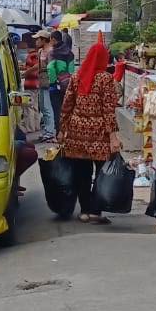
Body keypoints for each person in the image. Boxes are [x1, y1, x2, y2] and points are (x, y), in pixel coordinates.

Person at [57, 40, 120, 224]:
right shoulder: (106, 79)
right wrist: (113, 136)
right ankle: (95, 211)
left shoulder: (77, 76)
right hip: (99, 133)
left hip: (77, 133)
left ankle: (84, 211)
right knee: (101, 174)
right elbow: (109, 110)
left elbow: (66, 105)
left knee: (81, 174)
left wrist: (63, 129)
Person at [22, 31, 55, 140]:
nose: (36, 41)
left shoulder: (50, 52)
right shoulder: (41, 51)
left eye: (38, 39)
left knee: (47, 107)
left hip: (47, 82)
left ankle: (49, 131)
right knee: (42, 106)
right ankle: (46, 129)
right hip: (40, 82)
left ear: (44, 40)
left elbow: (50, 68)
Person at [47, 31, 74, 131]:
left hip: (56, 87)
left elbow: (50, 68)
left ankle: (59, 133)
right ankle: (67, 132)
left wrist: (53, 82)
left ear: (53, 40)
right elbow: (71, 70)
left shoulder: (53, 53)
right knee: (67, 110)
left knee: (57, 111)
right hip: (67, 85)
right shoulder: (70, 53)